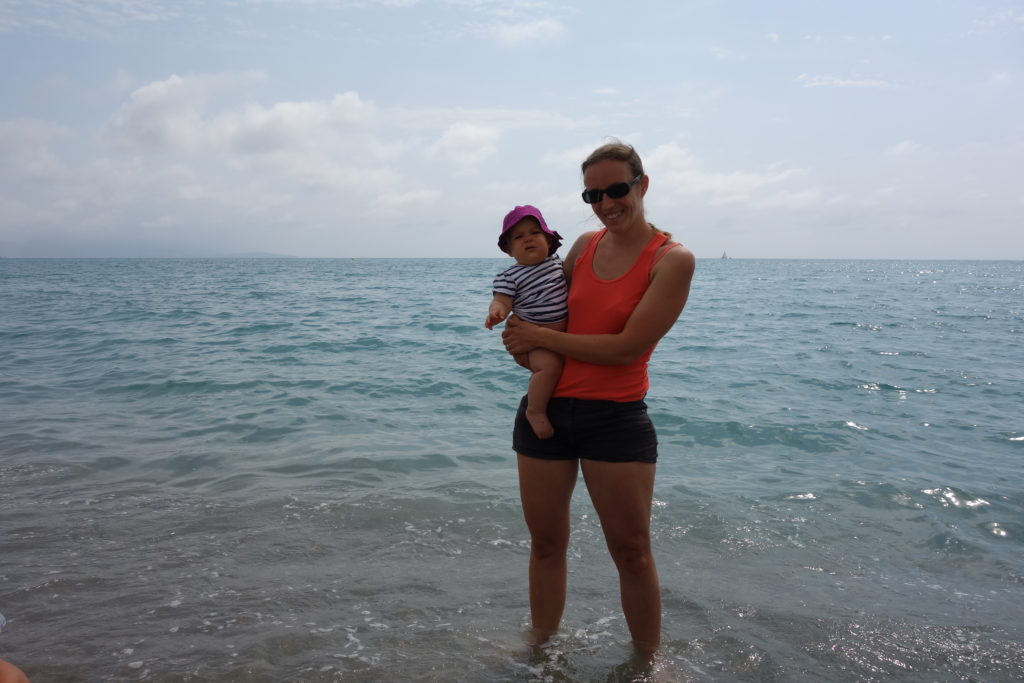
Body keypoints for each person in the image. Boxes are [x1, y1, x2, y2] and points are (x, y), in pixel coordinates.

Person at [501, 140, 695, 658]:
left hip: (616, 418)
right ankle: (540, 649)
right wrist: (522, 343)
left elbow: (626, 348)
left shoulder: (671, 260)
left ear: (642, 185)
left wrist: (539, 338)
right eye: (593, 195)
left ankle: (646, 662)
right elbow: (547, 315)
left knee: (631, 552)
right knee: (546, 544)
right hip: (546, 414)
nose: (606, 203)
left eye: (616, 189)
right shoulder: (584, 246)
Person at [485, 205, 568, 439]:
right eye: (518, 237)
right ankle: (535, 410)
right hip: (533, 342)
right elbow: (501, 300)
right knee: (549, 367)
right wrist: (497, 312)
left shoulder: (557, 264)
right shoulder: (510, 276)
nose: (528, 239)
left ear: (548, 240)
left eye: (535, 233)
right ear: (509, 250)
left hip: (556, 336)